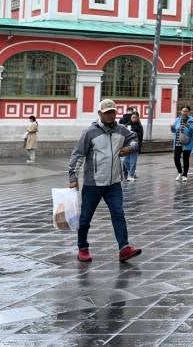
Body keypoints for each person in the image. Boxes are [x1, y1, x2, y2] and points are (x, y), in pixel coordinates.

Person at [68, 98, 142, 264]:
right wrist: (73, 177)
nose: (110, 115)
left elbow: (135, 139)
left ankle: (124, 248)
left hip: (114, 183)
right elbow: (78, 155)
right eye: (107, 112)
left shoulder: (121, 130)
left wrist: (128, 148)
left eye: (112, 112)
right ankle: (83, 248)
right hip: (93, 183)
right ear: (100, 113)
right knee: (86, 218)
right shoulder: (90, 132)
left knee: (118, 214)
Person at [171, 106, 193, 181]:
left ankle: (185, 175)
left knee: (185, 159)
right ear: (181, 112)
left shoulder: (191, 121)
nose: (184, 112)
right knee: (176, 158)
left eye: (186, 111)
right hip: (178, 142)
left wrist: (188, 126)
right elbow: (174, 131)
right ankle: (180, 172)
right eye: (183, 111)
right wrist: (172, 128)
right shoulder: (177, 119)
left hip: (187, 143)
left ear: (189, 112)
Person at [122, 111, 144, 181]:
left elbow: (140, 137)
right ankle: (131, 172)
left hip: (135, 146)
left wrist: (133, 133)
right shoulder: (127, 125)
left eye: (135, 117)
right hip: (127, 146)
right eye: (132, 117)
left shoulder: (139, 126)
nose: (134, 119)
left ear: (138, 118)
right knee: (125, 161)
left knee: (132, 162)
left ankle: (131, 175)